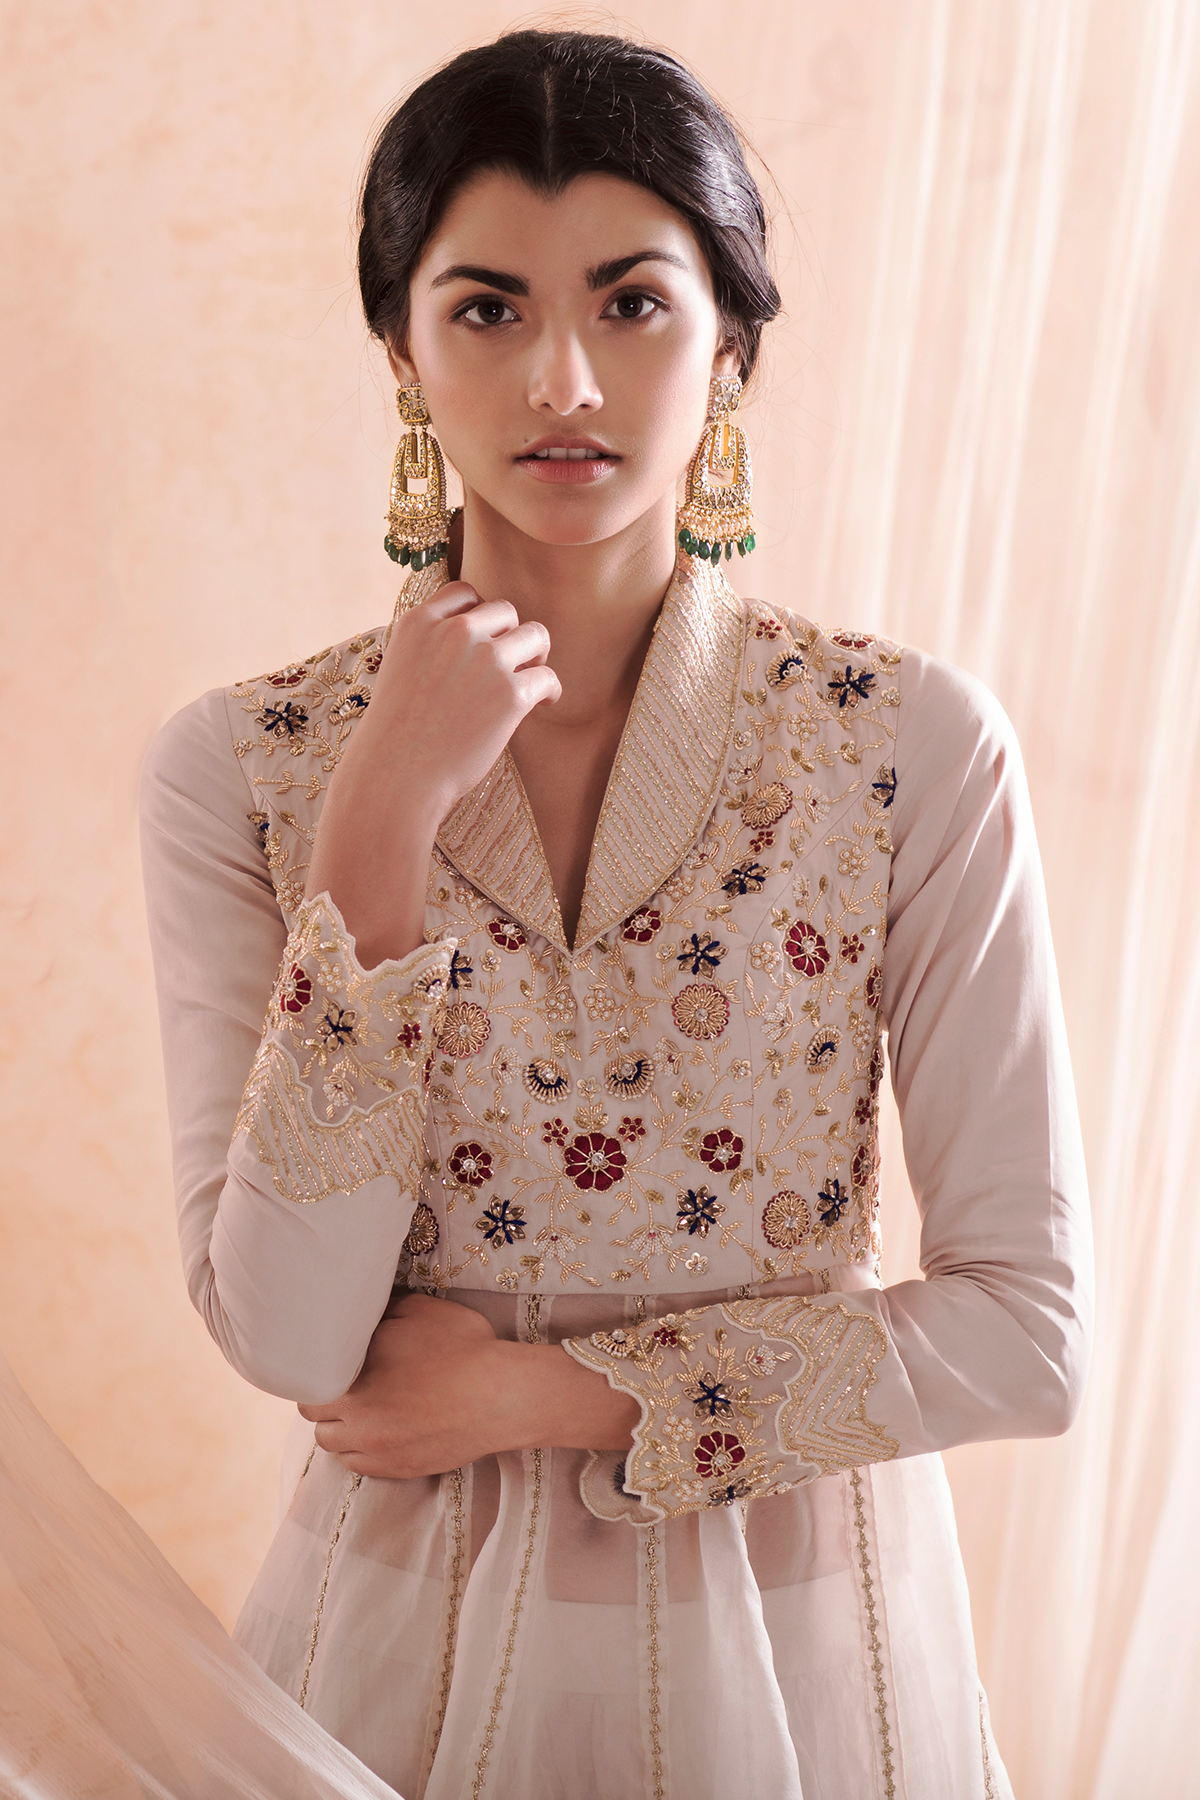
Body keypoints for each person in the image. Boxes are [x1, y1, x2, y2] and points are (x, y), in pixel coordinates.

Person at [139, 29, 1092, 1800]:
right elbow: (288, 1336)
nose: (562, 377)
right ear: (402, 350)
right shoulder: (249, 767)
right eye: (487, 308)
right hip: (398, 1637)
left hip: (796, 1642)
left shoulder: (902, 745)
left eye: (634, 303)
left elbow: (1028, 1339)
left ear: (731, 346)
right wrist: (379, 825)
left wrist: (551, 1396)